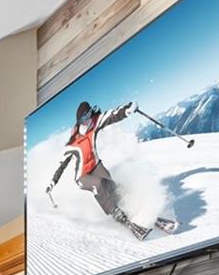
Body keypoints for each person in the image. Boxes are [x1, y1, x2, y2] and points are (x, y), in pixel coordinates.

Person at [46, 101, 177, 240]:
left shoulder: (94, 123)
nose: (88, 120)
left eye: (89, 115)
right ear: (79, 122)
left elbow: (111, 115)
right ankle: (118, 215)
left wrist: (127, 110)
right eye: (84, 119)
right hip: (82, 177)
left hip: (96, 166)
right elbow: (62, 166)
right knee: (100, 184)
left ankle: (135, 207)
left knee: (114, 188)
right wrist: (53, 182)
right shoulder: (72, 144)